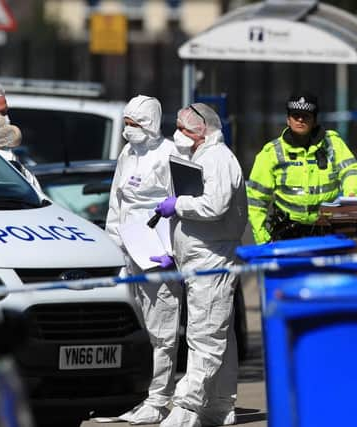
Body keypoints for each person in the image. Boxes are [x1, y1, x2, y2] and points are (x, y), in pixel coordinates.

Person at [153, 103, 246, 427]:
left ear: (202, 129)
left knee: (205, 336)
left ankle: (186, 408)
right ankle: (220, 405)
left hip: (212, 259)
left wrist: (177, 204)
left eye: (183, 126)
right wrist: (174, 252)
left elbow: (215, 206)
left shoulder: (218, 158)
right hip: (199, 257)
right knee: (220, 335)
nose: (177, 132)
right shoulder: (200, 157)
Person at [104, 95, 182, 425]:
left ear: (150, 124)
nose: (127, 130)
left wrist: (173, 252)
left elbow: (182, 206)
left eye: (134, 124)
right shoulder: (127, 153)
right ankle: (134, 396)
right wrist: (112, 243)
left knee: (162, 326)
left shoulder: (170, 154)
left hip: (157, 250)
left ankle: (159, 397)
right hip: (128, 247)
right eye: (125, 123)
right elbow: (116, 200)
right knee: (136, 326)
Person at [246, 92, 357, 244]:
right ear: (288, 120)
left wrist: (351, 196)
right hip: (287, 236)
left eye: (306, 116)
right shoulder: (271, 153)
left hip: (329, 233)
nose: (300, 120)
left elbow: (351, 171)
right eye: (296, 115)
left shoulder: (333, 144)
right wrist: (263, 239)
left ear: (314, 120)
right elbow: (256, 200)